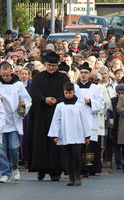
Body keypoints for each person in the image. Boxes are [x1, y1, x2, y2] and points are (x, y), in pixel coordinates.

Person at [28, 51, 70, 181]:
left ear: (57, 65)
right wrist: (44, 99)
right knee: (40, 142)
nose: (51, 68)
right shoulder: (38, 78)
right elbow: (33, 94)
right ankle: (41, 168)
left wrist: (57, 100)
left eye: (54, 65)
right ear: (45, 64)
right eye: (49, 65)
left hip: (58, 115)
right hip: (41, 115)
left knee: (55, 142)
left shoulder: (63, 79)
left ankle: (55, 170)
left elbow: (68, 94)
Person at [0, 63, 32, 183]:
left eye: (7, 75)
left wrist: (22, 105)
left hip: (14, 120)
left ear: (11, 72)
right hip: (0, 121)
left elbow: (27, 99)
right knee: (1, 149)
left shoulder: (18, 85)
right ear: (0, 73)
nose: (5, 77)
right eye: (3, 75)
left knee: (13, 147)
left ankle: (14, 167)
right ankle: (5, 172)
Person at [48, 82, 91, 186]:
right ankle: (71, 177)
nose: (67, 94)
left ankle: (77, 175)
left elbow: (84, 120)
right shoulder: (60, 105)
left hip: (78, 134)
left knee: (76, 154)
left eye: (70, 92)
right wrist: (55, 134)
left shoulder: (80, 105)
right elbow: (56, 120)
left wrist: (87, 135)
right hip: (65, 134)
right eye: (66, 92)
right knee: (68, 156)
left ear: (74, 92)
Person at [74, 62, 104, 176]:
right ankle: (78, 167)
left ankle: (88, 167)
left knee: (89, 146)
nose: (83, 75)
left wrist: (91, 102)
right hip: (78, 119)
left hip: (90, 118)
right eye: (81, 72)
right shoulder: (74, 87)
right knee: (79, 145)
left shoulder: (96, 88)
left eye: (86, 73)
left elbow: (101, 104)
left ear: (89, 74)